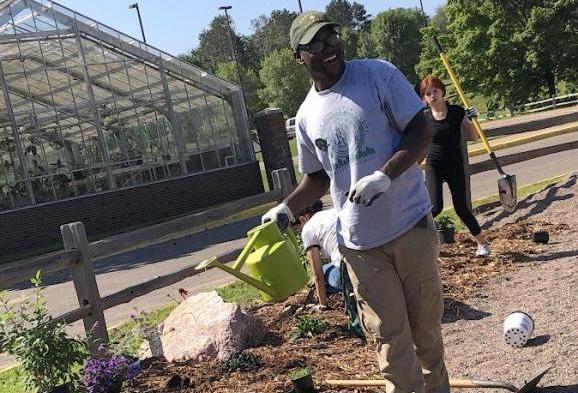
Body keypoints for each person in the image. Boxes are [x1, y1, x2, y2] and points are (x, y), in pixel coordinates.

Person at [262, 11, 449, 393]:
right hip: (360, 245)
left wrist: (386, 175)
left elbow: (419, 131)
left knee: (426, 336)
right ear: (298, 56)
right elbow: (318, 176)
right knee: (391, 344)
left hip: (409, 224)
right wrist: (288, 207)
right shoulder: (306, 116)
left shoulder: (378, 74)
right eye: (316, 43)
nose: (329, 47)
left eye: (332, 37)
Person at [419, 75, 491, 257]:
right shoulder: (424, 118)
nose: (432, 95)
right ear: (424, 98)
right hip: (434, 164)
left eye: (435, 91)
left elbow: (473, 137)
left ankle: (482, 244)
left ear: (442, 92)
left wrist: (473, 120)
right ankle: (418, 245)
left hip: (455, 164)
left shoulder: (457, 112)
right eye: (428, 93)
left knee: (461, 207)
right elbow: (418, 143)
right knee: (434, 208)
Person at [294, 200, 342, 307]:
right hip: (366, 259)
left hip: (346, 270)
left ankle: (347, 293)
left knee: (324, 271)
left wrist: (322, 305)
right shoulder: (331, 213)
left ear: (302, 219)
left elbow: (317, 275)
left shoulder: (308, 229)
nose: (300, 231)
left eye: (298, 228)